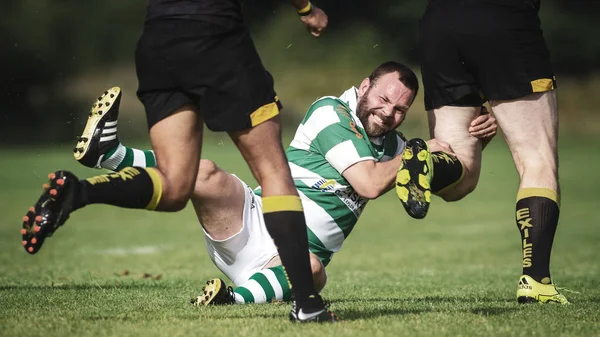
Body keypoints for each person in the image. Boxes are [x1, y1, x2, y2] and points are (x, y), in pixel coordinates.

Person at [68, 62, 497, 305]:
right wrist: (414, 154)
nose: (388, 113)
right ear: (364, 87)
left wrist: (471, 143)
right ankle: (112, 156)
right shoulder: (333, 114)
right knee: (206, 173)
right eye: (384, 99)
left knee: (312, 271)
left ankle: (230, 300)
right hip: (255, 221)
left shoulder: (397, 145)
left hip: (292, 259)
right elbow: (367, 184)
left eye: (401, 110)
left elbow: (447, 186)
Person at [20, 0, 339, 323]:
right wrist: (307, 9)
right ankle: (307, 305)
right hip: (215, 32)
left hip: (157, 40)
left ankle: (79, 191)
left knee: (174, 186)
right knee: (273, 173)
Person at [414, 0, 567, 303]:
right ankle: (536, 281)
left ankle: (426, 164)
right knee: (536, 159)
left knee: (460, 177)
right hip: (503, 15)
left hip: (439, 22)